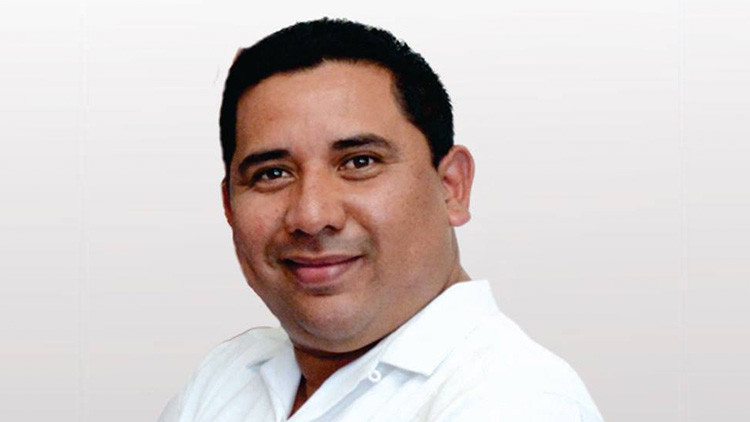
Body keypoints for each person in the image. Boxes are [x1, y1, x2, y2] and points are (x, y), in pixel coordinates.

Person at [159, 18, 603, 421]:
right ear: (229, 206)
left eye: (359, 162)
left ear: (451, 186)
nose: (311, 216)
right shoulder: (225, 377)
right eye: (272, 174)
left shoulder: (514, 402)